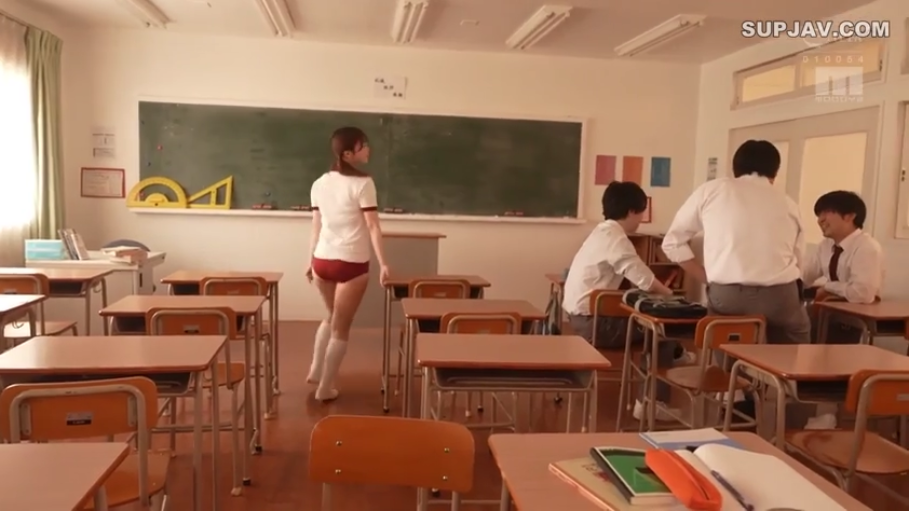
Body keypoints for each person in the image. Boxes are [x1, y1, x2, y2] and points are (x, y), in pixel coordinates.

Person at [661, 139, 810, 424]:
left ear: (734, 168)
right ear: (775, 173)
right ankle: (793, 413)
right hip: (780, 296)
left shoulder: (713, 190)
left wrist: (706, 277)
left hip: (728, 296)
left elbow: (672, 243)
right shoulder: (788, 202)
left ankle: (736, 395)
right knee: (795, 342)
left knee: (724, 335)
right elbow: (799, 260)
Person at [562, 181, 688, 422]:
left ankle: (676, 354)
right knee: (661, 332)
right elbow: (645, 280)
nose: (640, 221)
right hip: (594, 324)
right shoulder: (617, 239)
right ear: (631, 211)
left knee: (651, 324)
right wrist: (671, 295)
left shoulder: (601, 233)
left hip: (579, 319)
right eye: (640, 214)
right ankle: (652, 403)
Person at [305, 127, 390, 402]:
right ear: (348, 154)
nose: (368, 149)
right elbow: (373, 226)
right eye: (363, 146)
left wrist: (310, 260)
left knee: (331, 316)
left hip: (322, 260)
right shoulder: (363, 183)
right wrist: (384, 264)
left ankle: (316, 369)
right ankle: (325, 388)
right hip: (351, 263)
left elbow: (316, 226)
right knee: (341, 327)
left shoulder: (319, 183)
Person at [801, 190, 883, 429]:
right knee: (793, 323)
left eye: (827, 213)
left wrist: (827, 286)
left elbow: (863, 293)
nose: (820, 220)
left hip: (853, 317)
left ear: (849, 216)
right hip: (829, 313)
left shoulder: (867, 247)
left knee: (825, 343)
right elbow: (805, 276)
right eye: (818, 214)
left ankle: (827, 411)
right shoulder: (825, 246)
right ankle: (806, 396)